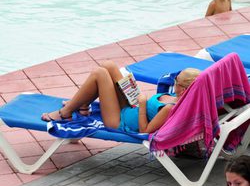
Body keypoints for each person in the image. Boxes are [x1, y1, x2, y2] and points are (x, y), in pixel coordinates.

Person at [41, 61, 200, 134]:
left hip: (119, 120)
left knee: (100, 74)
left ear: (184, 89)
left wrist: (143, 105)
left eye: (176, 82)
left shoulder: (169, 108)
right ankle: (82, 105)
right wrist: (135, 96)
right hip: (133, 106)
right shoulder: (176, 97)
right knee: (108, 66)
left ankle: (66, 112)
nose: (173, 83)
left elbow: (144, 131)